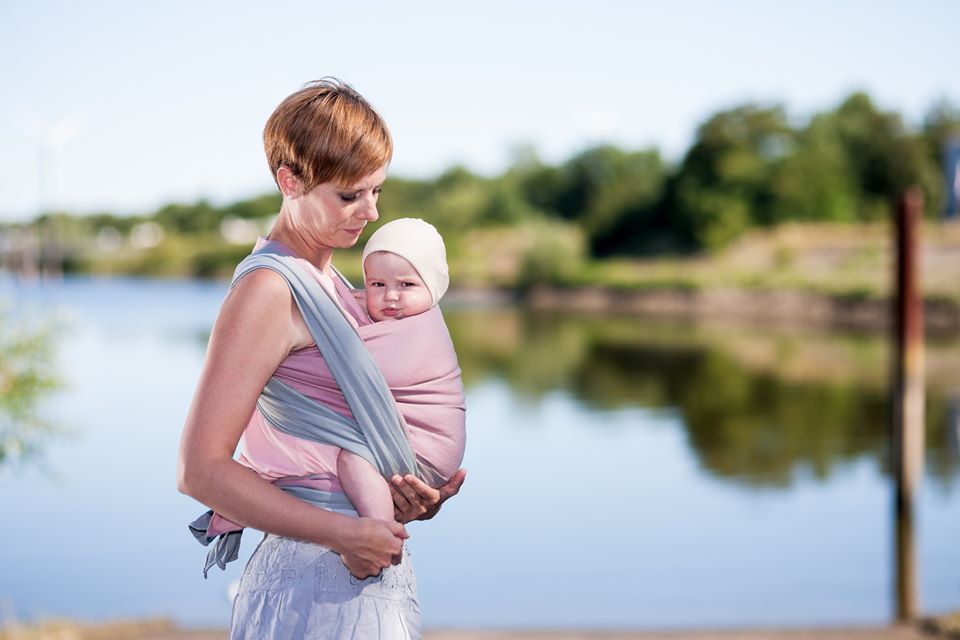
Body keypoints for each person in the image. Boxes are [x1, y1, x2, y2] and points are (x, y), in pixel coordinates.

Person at [176, 79, 466, 640]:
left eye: (376, 191)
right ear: (289, 181)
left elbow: (337, 438)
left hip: (359, 562)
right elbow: (200, 469)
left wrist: (409, 498)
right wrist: (345, 533)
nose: (369, 211)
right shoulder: (270, 289)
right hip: (314, 578)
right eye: (349, 195)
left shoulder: (333, 282)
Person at [338, 217, 466, 522]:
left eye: (406, 284)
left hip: (426, 451)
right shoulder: (400, 322)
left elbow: (347, 361)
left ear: (433, 287)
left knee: (351, 459)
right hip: (416, 444)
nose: (390, 296)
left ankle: (377, 531)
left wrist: (337, 311)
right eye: (377, 285)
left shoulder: (421, 330)